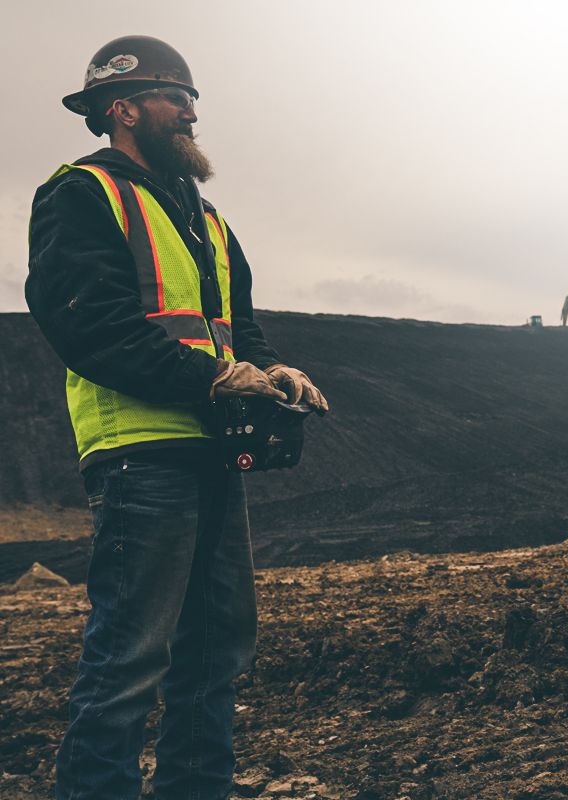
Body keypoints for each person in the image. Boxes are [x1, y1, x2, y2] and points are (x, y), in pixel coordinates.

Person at [26, 35, 329, 800]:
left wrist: (270, 372)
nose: (192, 112)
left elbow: (239, 327)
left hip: (214, 450)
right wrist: (216, 377)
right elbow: (89, 325)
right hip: (139, 455)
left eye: (191, 98)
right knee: (129, 660)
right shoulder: (81, 194)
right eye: (174, 96)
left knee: (214, 656)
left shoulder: (208, 218)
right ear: (122, 109)